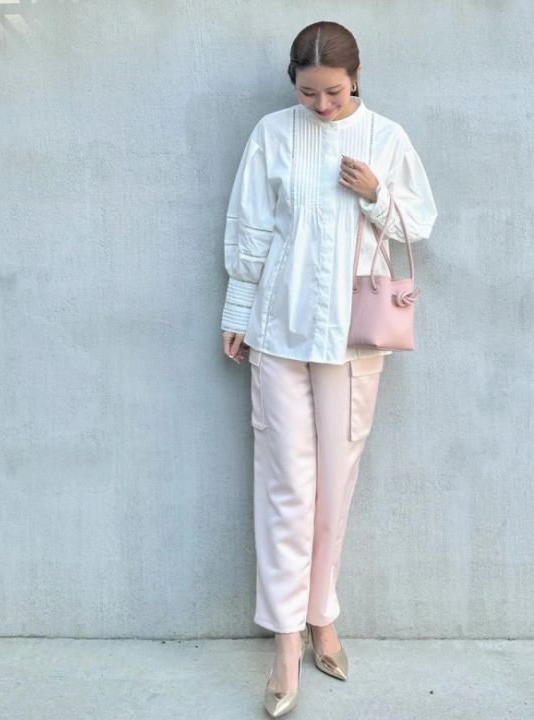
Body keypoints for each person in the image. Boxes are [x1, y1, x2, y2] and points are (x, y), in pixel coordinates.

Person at [219, 21, 438, 718]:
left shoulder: (386, 138)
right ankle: (285, 642)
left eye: (334, 93)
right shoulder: (271, 134)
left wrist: (375, 193)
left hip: (354, 340)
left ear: (356, 78)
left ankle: (322, 616)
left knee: (335, 487)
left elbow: (419, 224)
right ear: (294, 82)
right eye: (309, 92)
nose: (321, 105)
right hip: (278, 331)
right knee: (285, 485)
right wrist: (238, 309)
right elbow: (251, 226)